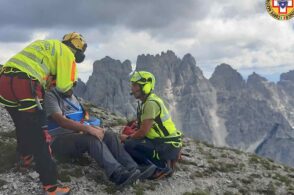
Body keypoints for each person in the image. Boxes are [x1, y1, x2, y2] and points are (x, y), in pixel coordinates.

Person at [0, 32, 87, 195]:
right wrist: (67, 87)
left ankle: (25, 157)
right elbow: (64, 87)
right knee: (40, 133)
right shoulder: (67, 53)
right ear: (78, 49)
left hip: (4, 81)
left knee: (21, 123)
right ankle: (51, 186)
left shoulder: (46, 45)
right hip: (26, 83)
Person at [44, 86, 144, 187]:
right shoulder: (51, 95)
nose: (73, 85)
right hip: (58, 140)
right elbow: (61, 121)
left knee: (109, 135)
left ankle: (133, 168)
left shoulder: (73, 97)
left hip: (76, 135)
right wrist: (88, 129)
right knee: (91, 139)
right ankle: (117, 174)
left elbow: (82, 119)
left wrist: (94, 128)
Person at [121, 71, 183, 180]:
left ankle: (160, 167)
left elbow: (143, 132)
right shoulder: (148, 101)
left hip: (165, 144)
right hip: (166, 143)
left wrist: (127, 138)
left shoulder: (150, 103)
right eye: (132, 85)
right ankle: (161, 162)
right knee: (130, 139)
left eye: (135, 85)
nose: (132, 88)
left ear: (146, 86)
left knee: (129, 144)